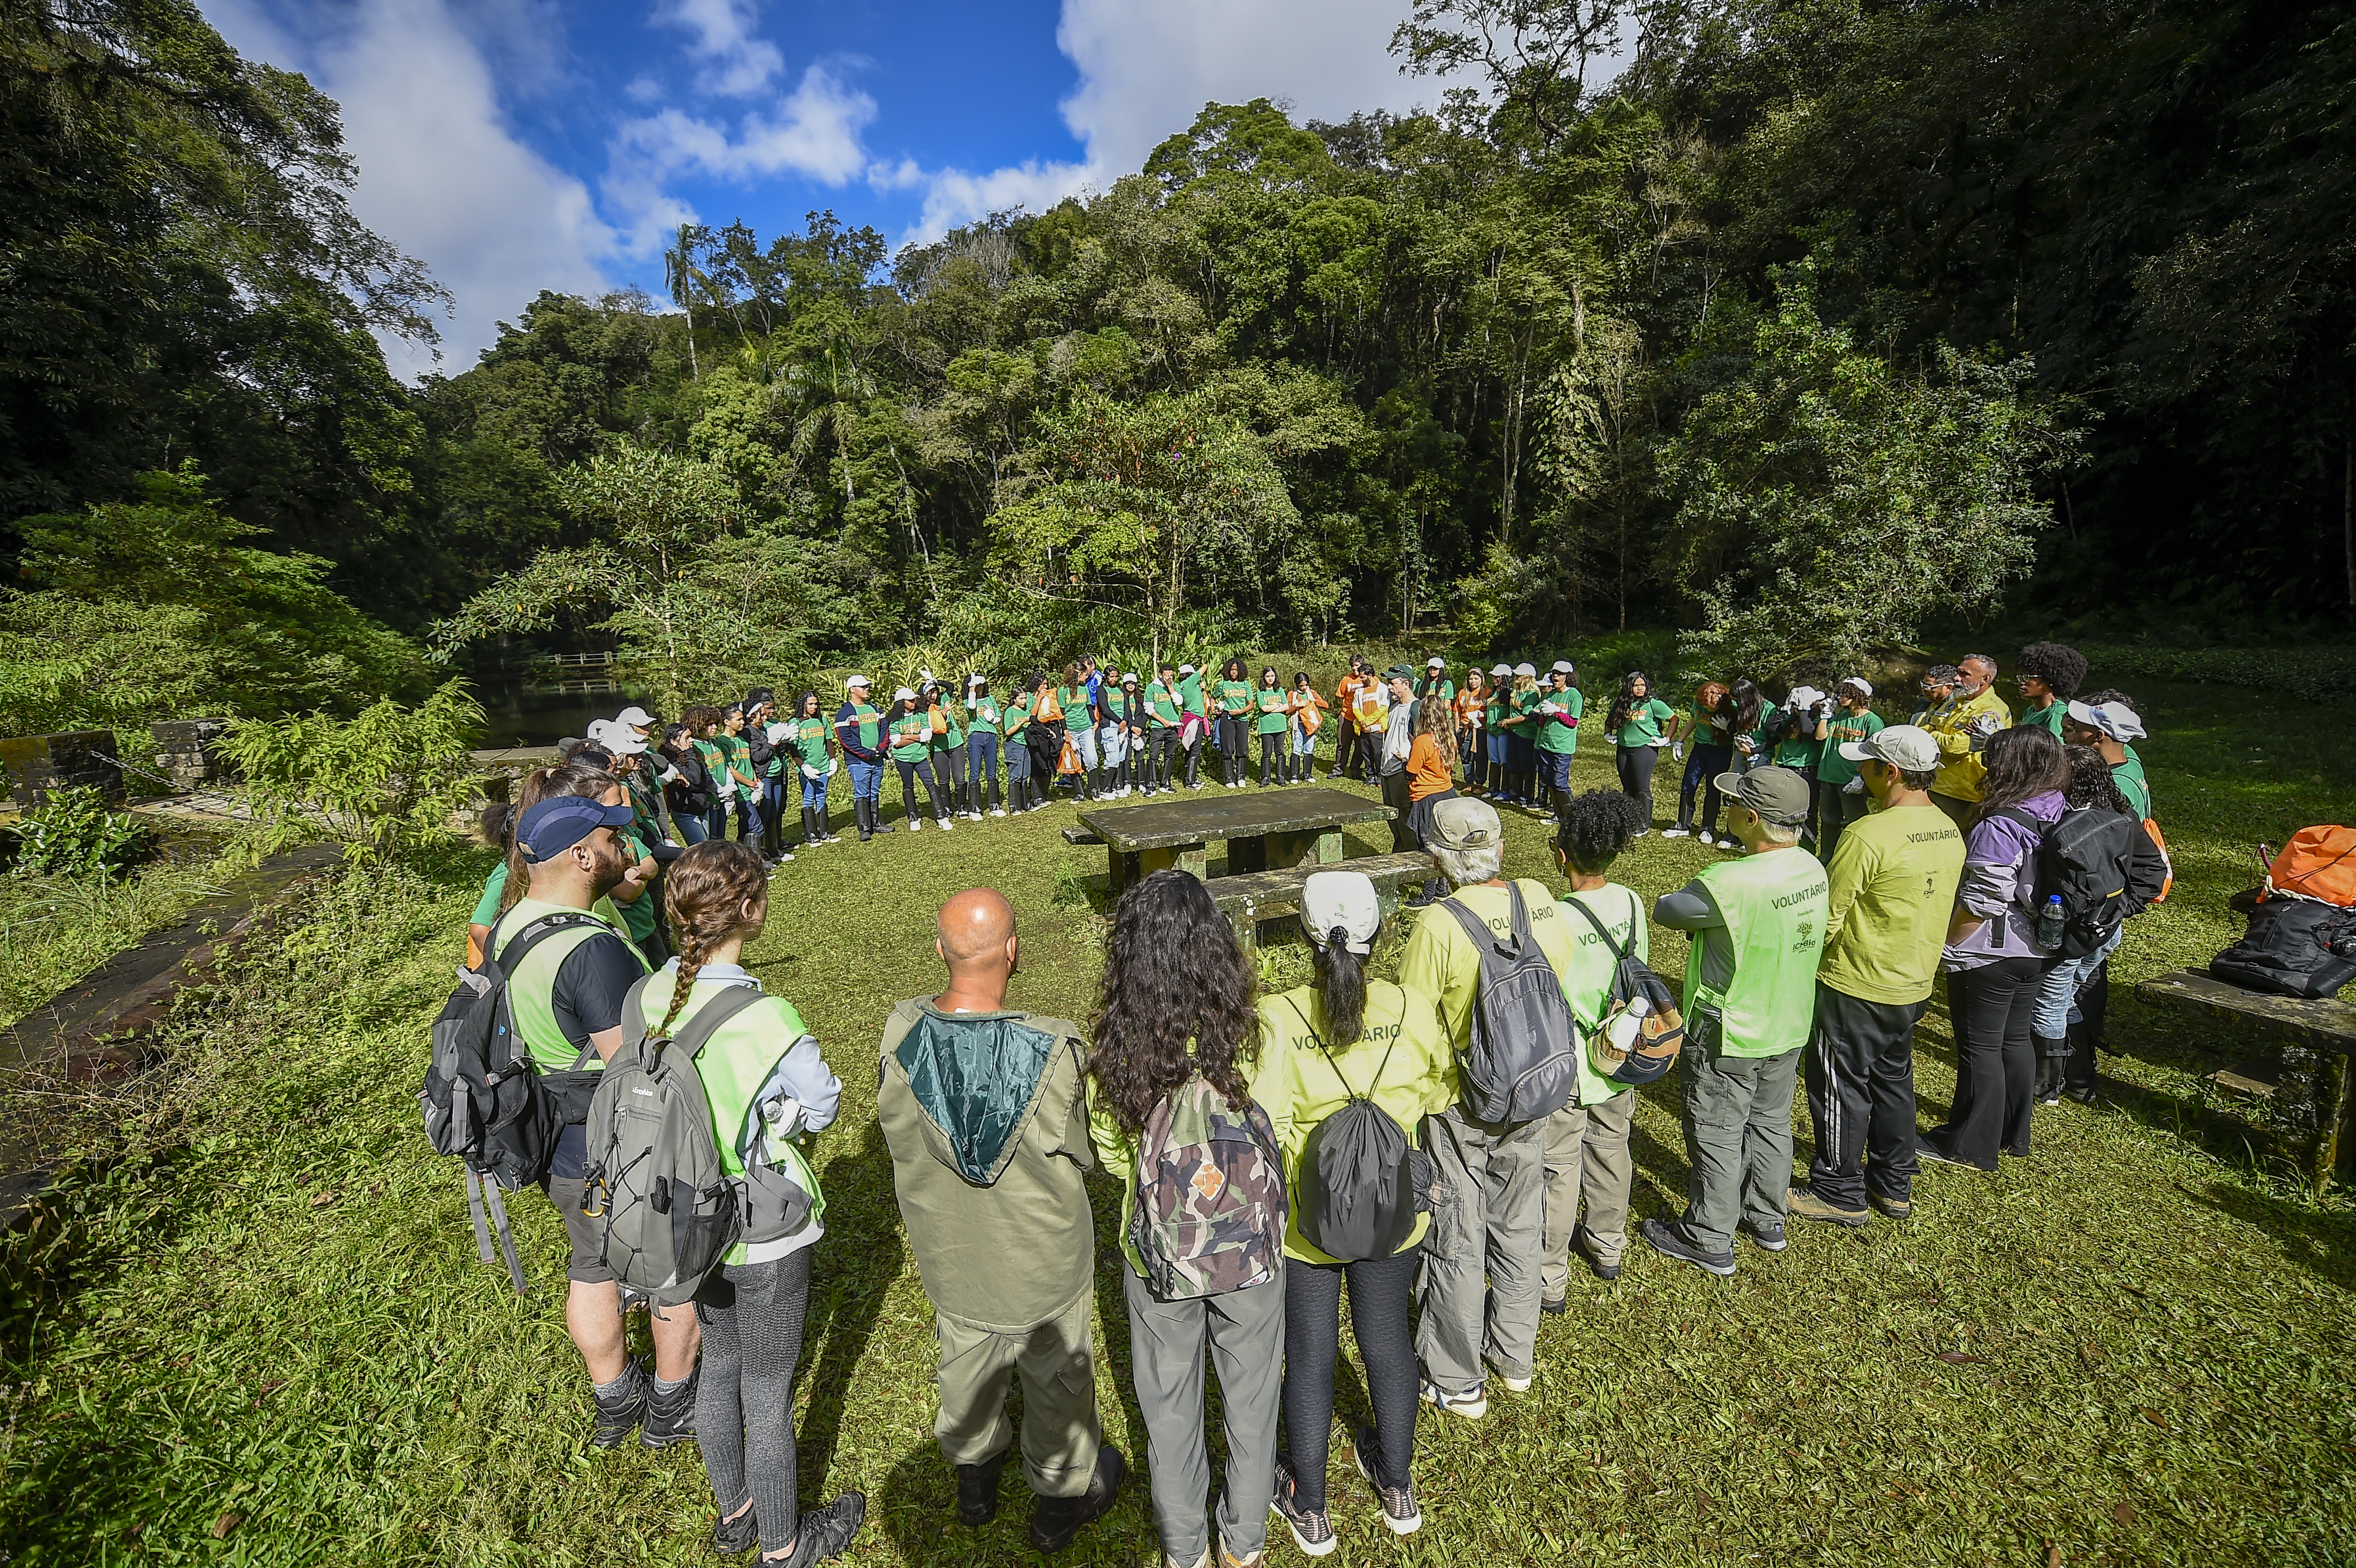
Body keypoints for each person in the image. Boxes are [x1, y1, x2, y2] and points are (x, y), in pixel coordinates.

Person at [877, 890, 1125, 1553]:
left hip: (954, 1256)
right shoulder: (1056, 1047)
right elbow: (1088, 1150)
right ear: (1013, 950)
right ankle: (1058, 1501)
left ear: (940, 950)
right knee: (1058, 1383)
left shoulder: (902, 1039)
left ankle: (975, 1478)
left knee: (965, 1363)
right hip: (1043, 1258)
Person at [640, 840, 864, 1565]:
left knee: (721, 1365)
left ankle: (735, 1513)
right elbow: (823, 1102)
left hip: (686, 1222)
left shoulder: (654, 989)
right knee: (768, 1390)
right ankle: (783, 1545)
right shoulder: (765, 1014)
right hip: (761, 1230)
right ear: (749, 908)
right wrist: (779, 1116)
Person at [485, 788, 698, 1447]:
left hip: (559, 1141)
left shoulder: (514, 922)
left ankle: (614, 1398)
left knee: (591, 1266)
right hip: (617, 1145)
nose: (620, 849)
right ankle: (671, 1403)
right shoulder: (589, 950)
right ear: (582, 855)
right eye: (609, 840)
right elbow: (631, 1068)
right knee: (671, 1274)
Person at [1085, 871, 1283, 1568]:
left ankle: (1186, 1549)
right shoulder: (1262, 1034)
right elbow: (1279, 1126)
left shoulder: (1114, 1056)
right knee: (1253, 1403)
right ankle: (1245, 1541)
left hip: (1158, 1258)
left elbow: (1114, 1159)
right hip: (1252, 1255)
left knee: (1170, 1412)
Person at [1259, 871, 1454, 1548]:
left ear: (1306, 932)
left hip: (1304, 1222)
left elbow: (1264, 1117)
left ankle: (1308, 1503)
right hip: (1396, 1211)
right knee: (1387, 1342)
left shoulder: (1276, 1016)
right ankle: (1397, 1486)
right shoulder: (1412, 1005)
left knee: (1309, 1354)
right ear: (1380, 930)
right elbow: (1437, 1094)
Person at [1395, 797, 1576, 1418]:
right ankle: (1515, 1354)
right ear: (1499, 846)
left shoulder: (1438, 924)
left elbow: (1411, 1020)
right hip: (1535, 1090)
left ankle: (1456, 1375)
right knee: (1521, 1223)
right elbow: (1563, 972)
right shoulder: (1539, 897)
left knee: (1458, 1235)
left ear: (1438, 857)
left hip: (1458, 1102)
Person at [1642, 767, 1828, 1277]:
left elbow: (1669, 911)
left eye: (1730, 804)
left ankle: (1709, 1234)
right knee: (1771, 1122)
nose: (1723, 809)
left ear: (1751, 818)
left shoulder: (1728, 881)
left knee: (1717, 1127)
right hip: (1789, 1019)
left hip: (1731, 1027)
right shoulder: (1813, 867)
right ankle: (1767, 1216)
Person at [1784, 727, 1965, 1229]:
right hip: (1913, 983)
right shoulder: (1949, 827)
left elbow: (1829, 915)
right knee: (1893, 1081)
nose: (1858, 769)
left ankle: (1838, 1187)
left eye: (1867, 762)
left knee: (1839, 1084)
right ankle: (1893, 1184)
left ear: (1892, 773)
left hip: (1857, 984)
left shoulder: (1867, 834)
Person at [1918, 725, 2065, 1172]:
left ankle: (1970, 1146)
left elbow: (1983, 900)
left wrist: (1945, 942)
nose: (1985, 765)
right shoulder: (2060, 806)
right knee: (2015, 1039)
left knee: (1979, 1047)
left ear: (2012, 766)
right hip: (2039, 947)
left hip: (1989, 952)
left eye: (1992, 758)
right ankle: (2013, 1135)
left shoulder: (2001, 824)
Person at [1540, 790, 1653, 1301]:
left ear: (1563, 856)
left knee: (1558, 1165)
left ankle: (1550, 1274)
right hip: (1618, 1054)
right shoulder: (1631, 902)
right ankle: (1608, 1244)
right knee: (1612, 1149)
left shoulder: (1554, 917)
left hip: (1568, 1064)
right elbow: (1638, 972)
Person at [1920, 654, 2012, 826]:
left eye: (1964, 674)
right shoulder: (1954, 702)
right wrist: (1936, 736)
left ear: (1985, 679)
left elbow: (1957, 747)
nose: (1956, 678)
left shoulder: (1993, 709)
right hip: (1934, 783)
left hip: (1962, 793)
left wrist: (1932, 736)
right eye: (1958, 672)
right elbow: (1923, 730)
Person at [1811, 679, 1884, 865]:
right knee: (1828, 820)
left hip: (1851, 780)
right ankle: (1827, 855)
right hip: (1828, 776)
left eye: (1847, 693)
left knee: (1856, 821)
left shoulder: (1872, 721)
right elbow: (1820, 736)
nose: (1841, 697)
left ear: (1860, 695)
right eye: (1840, 692)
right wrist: (1826, 715)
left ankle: (1858, 858)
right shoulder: (1840, 717)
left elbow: (1876, 753)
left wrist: (1862, 777)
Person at [1604, 671, 1673, 831]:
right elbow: (1611, 719)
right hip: (1623, 748)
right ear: (1629, 687)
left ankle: (1644, 823)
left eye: (1643, 685)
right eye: (1636, 685)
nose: (1640, 688)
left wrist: (1667, 739)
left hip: (1645, 748)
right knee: (1628, 786)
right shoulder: (1621, 703)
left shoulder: (1653, 703)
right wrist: (1607, 733)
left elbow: (1673, 718)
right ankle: (1629, 819)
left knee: (1641, 786)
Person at [1663, 681, 1732, 840]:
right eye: (1706, 707)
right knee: (1689, 783)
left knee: (1713, 788)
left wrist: (1728, 728)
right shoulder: (1699, 702)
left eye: (1712, 708)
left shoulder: (1729, 705)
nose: (1708, 710)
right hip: (1700, 748)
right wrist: (1679, 741)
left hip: (1720, 750)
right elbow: (1693, 721)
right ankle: (1683, 824)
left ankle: (1708, 829)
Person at [834, 675, 892, 842]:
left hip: (877, 758)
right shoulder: (845, 713)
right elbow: (846, 740)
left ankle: (875, 823)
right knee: (861, 794)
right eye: (863, 686)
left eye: (867, 686)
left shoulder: (875, 708)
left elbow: (884, 730)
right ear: (852, 689)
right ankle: (864, 828)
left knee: (874, 792)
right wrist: (869, 753)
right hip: (859, 762)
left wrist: (881, 749)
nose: (867, 689)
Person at [784, 692, 840, 849]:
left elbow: (828, 741)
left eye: (816, 704)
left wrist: (833, 759)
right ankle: (811, 834)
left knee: (822, 797)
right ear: (803, 704)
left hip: (823, 765)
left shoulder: (822, 720)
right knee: (808, 798)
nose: (814, 707)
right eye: (811, 704)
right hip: (807, 768)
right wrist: (803, 766)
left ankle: (824, 832)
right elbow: (792, 749)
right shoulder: (796, 723)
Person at [1531, 660, 1585, 823]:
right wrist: (1542, 715)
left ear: (1567, 677)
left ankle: (1572, 817)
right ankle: (1558, 815)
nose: (1556, 677)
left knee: (1560, 782)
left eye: (1560, 674)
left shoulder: (1574, 695)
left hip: (1563, 746)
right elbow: (1541, 721)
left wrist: (1556, 712)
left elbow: (1573, 722)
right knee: (1549, 781)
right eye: (1554, 673)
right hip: (1546, 743)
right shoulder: (1550, 695)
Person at [1373, 665, 1418, 854]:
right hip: (1387, 769)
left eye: (1393, 683)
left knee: (1404, 815)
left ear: (1406, 684)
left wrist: (1408, 760)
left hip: (1402, 769)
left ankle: (1413, 855)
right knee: (1392, 815)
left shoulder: (1416, 708)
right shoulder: (1393, 707)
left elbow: (1422, 740)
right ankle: (1399, 852)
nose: (1389, 687)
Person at [924, 677, 974, 821]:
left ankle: (962, 807)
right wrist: (944, 713)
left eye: (935, 692)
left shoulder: (944, 698)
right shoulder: (924, 710)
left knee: (960, 779)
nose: (933, 695)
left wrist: (934, 680)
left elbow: (951, 686)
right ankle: (946, 807)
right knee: (944, 780)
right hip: (939, 748)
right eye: (930, 693)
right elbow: (936, 727)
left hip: (956, 745)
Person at [661, 721, 718, 846]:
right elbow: (696, 780)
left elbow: (707, 778)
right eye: (687, 738)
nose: (692, 740)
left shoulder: (694, 754)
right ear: (674, 742)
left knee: (707, 845)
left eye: (691, 736)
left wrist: (699, 785)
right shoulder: (671, 760)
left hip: (702, 807)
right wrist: (689, 753)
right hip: (686, 812)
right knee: (701, 849)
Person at [2014, 642, 2087, 738]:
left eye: (2028, 677)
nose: (2021, 682)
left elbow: (2055, 750)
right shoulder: (2031, 711)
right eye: (2021, 677)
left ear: (2050, 679)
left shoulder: (2057, 713)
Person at [964, 675, 1005, 818]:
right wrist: (972, 690)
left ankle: (994, 805)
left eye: (981, 686)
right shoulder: (968, 700)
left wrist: (994, 718)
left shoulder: (990, 699)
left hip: (991, 736)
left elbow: (999, 717)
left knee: (992, 771)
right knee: (975, 772)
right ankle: (974, 808)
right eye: (977, 686)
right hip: (976, 737)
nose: (980, 689)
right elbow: (972, 707)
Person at [1501, 663, 1541, 807]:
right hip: (1514, 731)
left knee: (1527, 766)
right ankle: (1514, 794)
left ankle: (1527, 796)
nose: (1516, 676)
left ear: (1527, 678)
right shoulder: (1516, 691)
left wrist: (1508, 721)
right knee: (1513, 762)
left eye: (1519, 674)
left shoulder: (1532, 694)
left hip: (1526, 734)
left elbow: (1526, 716)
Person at [1214, 656, 1254, 789]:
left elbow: (1251, 704)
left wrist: (1240, 711)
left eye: (1236, 670)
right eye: (1231, 670)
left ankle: (1241, 776)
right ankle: (1229, 778)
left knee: (1242, 748)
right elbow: (1213, 697)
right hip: (1227, 719)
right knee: (1228, 748)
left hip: (1242, 719)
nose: (1234, 672)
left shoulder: (1246, 684)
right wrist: (1215, 709)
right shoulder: (1223, 684)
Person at [1144, 663, 1183, 796]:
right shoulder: (1152, 687)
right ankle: (1151, 785)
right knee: (1153, 756)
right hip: (1158, 727)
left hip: (1173, 727)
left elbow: (1179, 702)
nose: (1169, 678)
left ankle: (1166, 783)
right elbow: (1148, 708)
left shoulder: (1175, 686)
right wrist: (1163, 721)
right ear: (1161, 675)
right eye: (1166, 675)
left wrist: (1170, 686)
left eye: (1171, 675)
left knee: (1170, 756)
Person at [1329, 657, 1369, 783]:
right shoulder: (1346, 679)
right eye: (1352, 665)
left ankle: (1355, 770)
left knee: (1360, 746)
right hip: (1346, 716)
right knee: (1343, 744)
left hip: (1361, 718)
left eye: (1356, 665)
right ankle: (1338, 770)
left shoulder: (1367, 678)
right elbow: (1339, 696)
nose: (1354, 668)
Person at [1098, 670, 1135, 798]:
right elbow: (1105, 709)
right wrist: (1120, 722)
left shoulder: (1120, 690)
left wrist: (1125, 721)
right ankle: (1105, 789)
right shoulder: (1102, 690)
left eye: (1116, 677)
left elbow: (1127, 707)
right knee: (1112, 758)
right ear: (1106, 677)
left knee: (1120, 757)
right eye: (1112, 677)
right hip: (1110, 725)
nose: (1114, 679)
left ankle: (1115, 786)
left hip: (1123, 726)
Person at [1286, 672, 1327, 785]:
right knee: (1296, 749)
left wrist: (1313, 700)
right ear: (1297, 685)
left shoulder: (1312, 693)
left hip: (1310, 725)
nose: (1304, 688)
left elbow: (1326, 705)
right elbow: (1287, 711)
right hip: (1298, 725)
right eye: (1301, 686)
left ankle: (1307, 774)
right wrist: (1297, 706)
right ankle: (1294, 775)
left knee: (1309, 749)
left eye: (1305, 685)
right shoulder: (1292, 694)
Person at [1253, 666, 1290, 788]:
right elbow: (1264, 708)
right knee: (1267, 753)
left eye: (1272, 676)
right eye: (1268, 676)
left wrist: (1272, 708)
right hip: (1267, 726)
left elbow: (1286, 707)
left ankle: (1281, 777)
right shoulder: (1260, 691)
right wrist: (1277, 705)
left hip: (1280, 726)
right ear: (1264, 678)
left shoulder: (1279, 690)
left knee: (1280, 752)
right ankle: (1266, 777)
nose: (1270, 678)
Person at [1481, 664, 1513, 803]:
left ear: (1505, 678)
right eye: (1493, 676)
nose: (1494, 679)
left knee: (1504, 761)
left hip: (1503, 732)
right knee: (1494, 761)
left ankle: (1505, 791)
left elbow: (1513, 713)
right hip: (1491, 731)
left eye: (1497, 677)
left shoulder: (1510, 693)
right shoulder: (1492, 693)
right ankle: (1493, 789)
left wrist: (1506, 721)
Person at [1177, 662, 1212, 790]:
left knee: (1190, 749)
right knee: (1195, 749)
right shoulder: (1190, 682)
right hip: (1194, 720)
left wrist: (1202, 688)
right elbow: (1205, 668)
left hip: (1190, 719)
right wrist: (1204, 663)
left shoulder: (1184, 685)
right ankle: (1190, 782)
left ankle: (1190, 778)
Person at [1453, 668, 1488, 794]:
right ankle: (1469, 782)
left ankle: (1479, 783)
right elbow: (1457, 711)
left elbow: (1491, 711)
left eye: (1476, 678)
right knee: (1466, 756)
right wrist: (1457, 729)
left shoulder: (1487, 693)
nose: (1473, 681)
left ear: (1481, 679)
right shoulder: (1463, 693)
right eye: (1471, 679)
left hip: (1481, 730)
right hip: (1465, 729)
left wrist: (1481, 714)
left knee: (1481, 757)